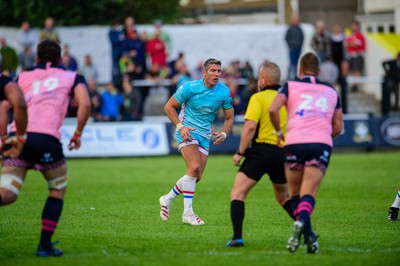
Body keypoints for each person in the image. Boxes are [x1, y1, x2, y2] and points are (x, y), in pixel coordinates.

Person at [0, 39, 91, 257]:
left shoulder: (22, 76)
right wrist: (78, 133)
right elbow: (85, 104)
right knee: (57, 189)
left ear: (37, 58)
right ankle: (45, 245)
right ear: (60, 58)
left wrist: (4, 137)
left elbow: (4, 106)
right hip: (45, 139)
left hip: (17, 138)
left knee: (7, 194)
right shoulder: (72, 76)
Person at [269, 52, 343, 254]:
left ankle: (308, 236)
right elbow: (337, 126)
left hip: (294, 142)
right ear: (318, 71)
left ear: (300, 70)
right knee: (308, 193)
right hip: (320, 144)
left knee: (295, 195)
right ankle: (304, 227)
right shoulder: (331, 90)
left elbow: (273, 109)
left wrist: (278, 133)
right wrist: (323, 136)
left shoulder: (290, 86)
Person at [226, 61, 297, 247]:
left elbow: (250, 127)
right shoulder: (288, 98)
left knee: (238, 192)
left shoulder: (258, 98)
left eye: (259, 77)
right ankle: (308, 230)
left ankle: (237, 237)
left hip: (261, 152)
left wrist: (240, 152)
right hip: (282, 153)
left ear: (264, 80)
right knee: (283, 197)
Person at [159, 58, 234, 225]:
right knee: (193, 168)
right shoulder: (189, 87)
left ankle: (167, 198)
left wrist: (224, 134)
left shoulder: (224, 91)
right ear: (204, 73)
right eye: (212, 71)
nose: (216, 74)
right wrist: (180, 126)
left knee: (195, 176)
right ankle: (188, 213)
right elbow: (168, 107)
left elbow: (229, 118)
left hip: (205, 135)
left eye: (218, 71)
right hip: (187, 132)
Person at [0, 74, 28, 158]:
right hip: (45, 133)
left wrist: (4, 139)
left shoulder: (19, 80)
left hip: (17, 132)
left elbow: (3, 108)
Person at [344, 21, 366, 92]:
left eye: (354, 26)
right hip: (351, 56)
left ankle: (356, 86)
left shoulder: (360, 35)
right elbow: (345, 44)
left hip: (357, 55)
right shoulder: (351, 36)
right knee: (352, 71)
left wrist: (350, 44)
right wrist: (351, 44)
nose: (353, 28)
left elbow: (356, 45)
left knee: (357, 70)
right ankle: (352, 85)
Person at [285, 14, 304, 80]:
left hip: (298, 48)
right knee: (292, 63)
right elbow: (287, 38)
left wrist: (300, 46)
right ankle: (289, 77)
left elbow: (302, 38)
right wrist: (291, 46)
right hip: (292, 49)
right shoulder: (290, 29)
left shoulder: (300, 29)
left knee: (296, 63)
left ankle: (295, 77)